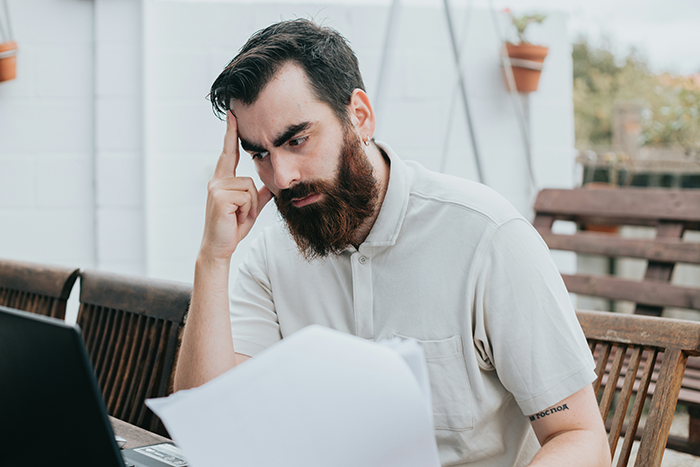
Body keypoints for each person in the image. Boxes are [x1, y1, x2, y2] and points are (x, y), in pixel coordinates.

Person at [173, 19, 611, 467]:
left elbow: (579, 436)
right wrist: (213, 258)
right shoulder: (272, 257)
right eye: (260, 154)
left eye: (298, 140)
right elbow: (208, 430)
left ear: (359, 116)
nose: (282, 177)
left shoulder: (486, 237)